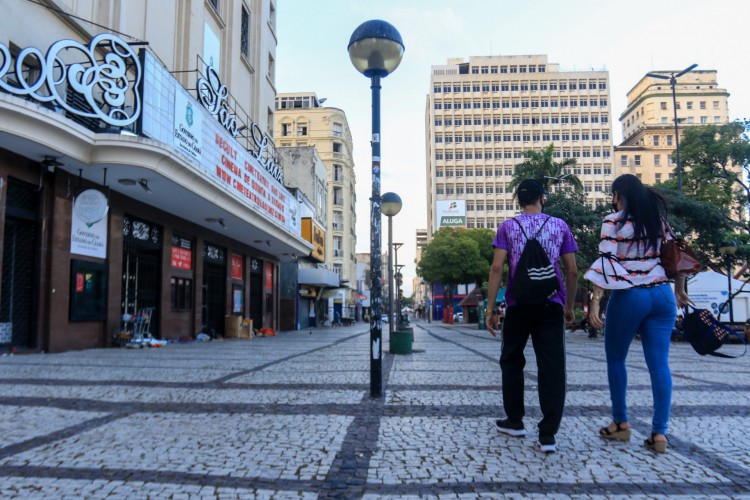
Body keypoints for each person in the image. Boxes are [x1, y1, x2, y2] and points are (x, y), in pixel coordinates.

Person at [585, 174, 691, 454]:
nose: (613, 199)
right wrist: (679, 291)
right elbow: (673, 258)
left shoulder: (613, 221)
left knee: (616, 358)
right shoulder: (658, 221)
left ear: (620, 194)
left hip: (630, 294)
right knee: (660, 365)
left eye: (614, 194)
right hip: (662, 296)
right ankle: (659, 434)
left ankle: (620, 423)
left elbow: (607, 262)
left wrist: (595, 301)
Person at [486, 179, 578, 454]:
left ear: (519, 200)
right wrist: (569, 305)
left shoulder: (508, 227)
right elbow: (572, 271)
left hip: (518, 304)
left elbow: (496, 267)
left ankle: (515, 420)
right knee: (551, 366)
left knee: (512, 359)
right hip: (551, 304)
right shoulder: (559, 226)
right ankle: (547, 434)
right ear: (542, 198)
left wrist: (491, 308)